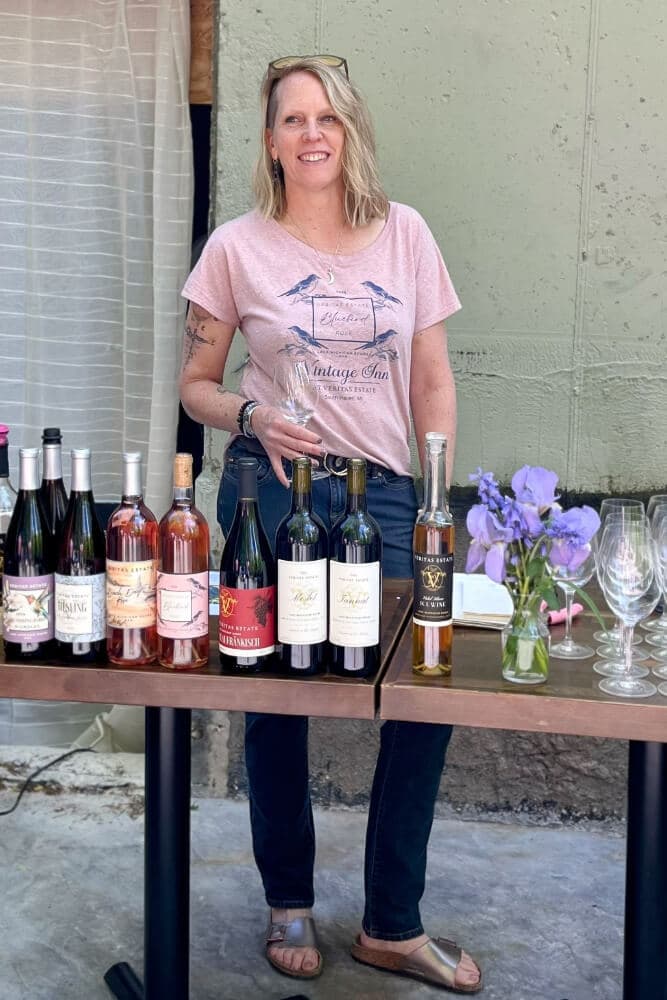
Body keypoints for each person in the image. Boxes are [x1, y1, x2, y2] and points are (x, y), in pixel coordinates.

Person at [179, 54, 482, 994]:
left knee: (420, 692)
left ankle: (393, 921)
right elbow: (192, 386)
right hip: (274, 487)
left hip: (391, 490)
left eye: (328, 118)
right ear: (268, 142)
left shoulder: (406, 234)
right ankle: (287, 901)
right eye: (292, 119)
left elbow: (431, 377)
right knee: (277, 695)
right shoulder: (236, 247)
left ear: (347, 132)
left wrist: (436, 495)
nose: (312, 133)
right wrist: (251, 414)